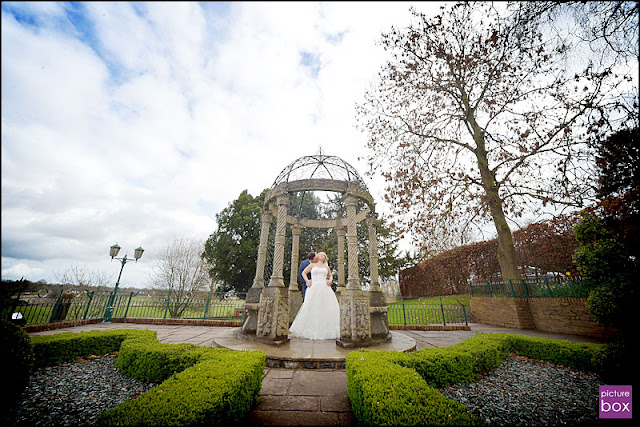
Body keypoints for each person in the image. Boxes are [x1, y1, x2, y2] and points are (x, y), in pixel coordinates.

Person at [289, 252, 340, 340]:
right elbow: (303, 273)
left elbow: (330, 276)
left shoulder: (326, 267)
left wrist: (330, 281)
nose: (321, 256)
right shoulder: (312, 265)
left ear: (325, 258)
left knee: (325, 307)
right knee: (311, 306)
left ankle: (325, 330)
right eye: (319, 254)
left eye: (323, 255)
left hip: (324, 288)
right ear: (317, 256)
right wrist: (308, 281)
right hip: (313, 287)